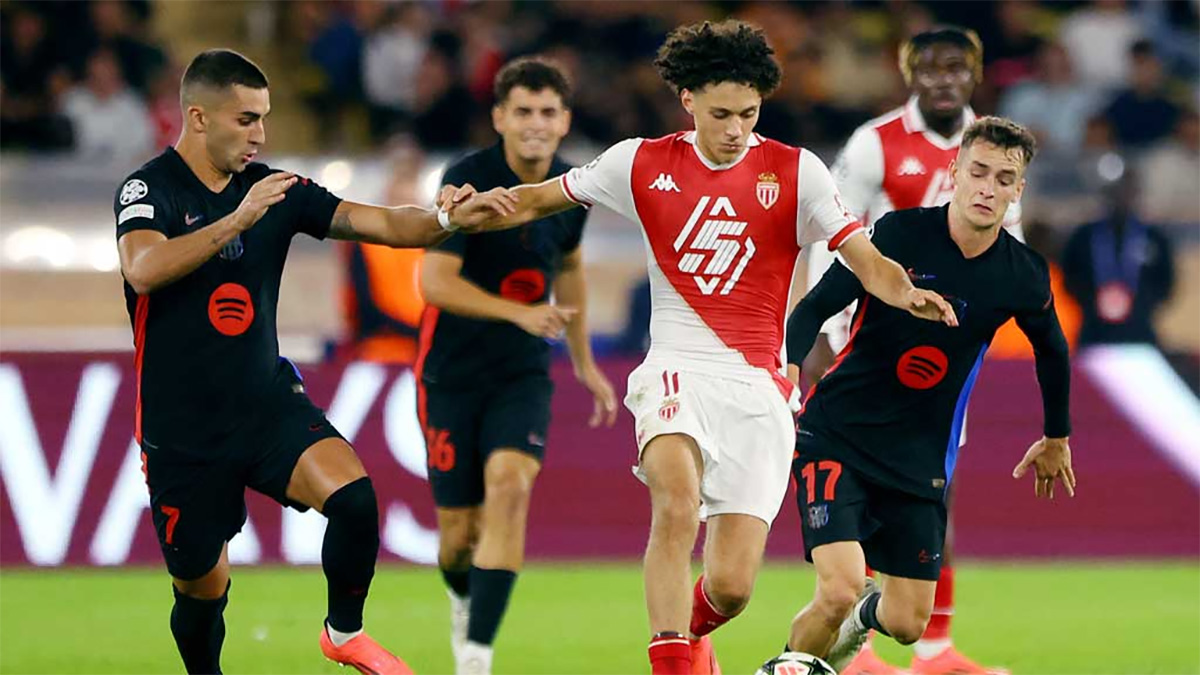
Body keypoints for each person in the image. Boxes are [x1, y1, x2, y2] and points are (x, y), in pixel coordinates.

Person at [441, 20, 957, 675]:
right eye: (721, 114)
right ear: (687, 99)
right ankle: (672, 664)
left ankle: (694, 635)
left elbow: (863, 256)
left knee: (731, 588)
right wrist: (457, 210)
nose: (736, 129)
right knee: (676, 502)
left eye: (748, 113)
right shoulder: (638, 163)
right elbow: (535, 200)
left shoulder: (797, 172)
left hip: (759, 388)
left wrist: (903, 291)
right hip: (676, 369)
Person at [113, 48, 513, 675]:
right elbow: (143, 268)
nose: (260, 134)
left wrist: (445, 218)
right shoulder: (148, 189)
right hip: (182, 428)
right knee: (202, 588)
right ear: (198, 118)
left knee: (354, 499)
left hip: (264, 404)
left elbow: (383, 224)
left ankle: (343, 633)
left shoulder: (278, 191)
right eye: (246, 119)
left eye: (264, 118)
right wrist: (235, 221)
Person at [775, 117, 1074, 672]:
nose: (987, 188)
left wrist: (1056, 436)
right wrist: (787, 374)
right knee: (839, 587)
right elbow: (814, 308)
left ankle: (858, 623)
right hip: (838, 435)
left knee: (908, 622)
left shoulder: (1023, 274)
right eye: (978, 172)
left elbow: (1052, 352)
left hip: (918, 459)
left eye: (1003, 179)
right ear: (954, 173)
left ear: (1018, 190)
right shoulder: (897, 234)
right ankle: (792, 663)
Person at [809, 27, 1019, 675]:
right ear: (910, 75)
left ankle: (933, 649)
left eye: (955, 67)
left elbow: (1007, 247)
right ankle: (860, 647)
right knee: (868, 494)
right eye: (929, 68)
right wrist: (821, 334)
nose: (942, 79)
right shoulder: (875, 144)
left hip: (945, 362)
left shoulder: (997, 147)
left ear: (975, 73)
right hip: (870, 348)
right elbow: (830, 234)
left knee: (935, 494)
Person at [416, 56, 618, 675]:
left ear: (565, 122)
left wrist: (583, 362)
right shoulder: (466, 180)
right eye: (523, 111)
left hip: (521, 375)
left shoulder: (572, 191)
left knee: (510, 486)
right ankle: (462, 599)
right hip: (451, 373)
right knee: (458, 540)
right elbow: (434, 282)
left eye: (547, 112)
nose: (536, 123)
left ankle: (477, 657)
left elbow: (570, 268)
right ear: (499, 118)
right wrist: (519, 313)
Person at [1061, 168, 1175, 347]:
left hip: (1140, 334)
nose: (1121, 197)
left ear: (1135, 193)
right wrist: (1091, 300)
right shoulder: (1083, 237)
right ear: (1106, 194)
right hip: (1094, 334)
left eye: (1126, 190)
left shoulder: (1154, 238)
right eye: (1115, 191)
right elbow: (1069, 279)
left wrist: (1142, 304)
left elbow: (1166, 283)